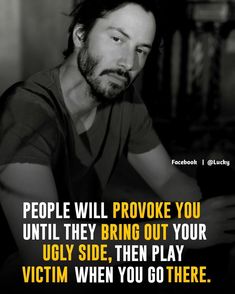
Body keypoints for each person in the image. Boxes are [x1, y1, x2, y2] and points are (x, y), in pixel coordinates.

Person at [0, 0, 235, 290]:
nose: (129, 63)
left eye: (141, 50)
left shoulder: (124, 101)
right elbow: (44, 255)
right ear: (80, 35)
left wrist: (217, 212)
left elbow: (168, 179)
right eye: (117, 39)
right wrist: (181, 233)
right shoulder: (26, 112)